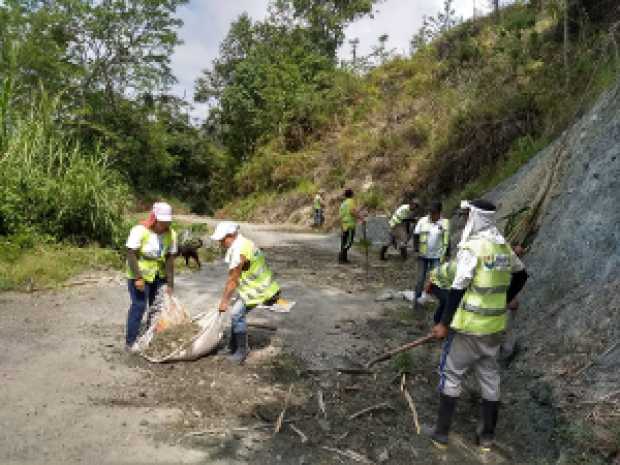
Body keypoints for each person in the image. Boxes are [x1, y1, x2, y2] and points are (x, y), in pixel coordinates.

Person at [427, 199, 528, 450]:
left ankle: (440, 434)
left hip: (469, 328)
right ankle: (486, 438)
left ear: (474, 217)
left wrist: (443, 323)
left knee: (451, 374)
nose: (463, 219)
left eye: (466, 215)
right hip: (494, 327)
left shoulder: (472, 248)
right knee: (490, 378)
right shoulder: (503, 247)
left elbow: (458, 287)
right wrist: (504, 300)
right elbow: (522, 273)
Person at [211, 222, 281, 364]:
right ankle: (233, 346)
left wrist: (224, 301)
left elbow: (232, 280)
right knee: (236, 312)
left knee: (236, 313)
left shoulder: (239, 250)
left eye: (222, 240)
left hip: (260, 289)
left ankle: (241, 351)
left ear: (230, 236)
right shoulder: (243, 242)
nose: (220, 243)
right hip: (255, 286)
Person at [125, 202, 178, 352]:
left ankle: (150, 336)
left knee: (157, 307)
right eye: (162, 221)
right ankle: (130, 342)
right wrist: (138, 278)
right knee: (139, 306)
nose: (165, 224)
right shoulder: (140, 231)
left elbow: (169, 259)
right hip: (139, 274)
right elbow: (131, 253)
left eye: (167, 221)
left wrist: (170, 283)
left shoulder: (171, 234)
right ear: (154, 218)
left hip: (158, 275)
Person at [413, 201, 450, 308]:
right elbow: (416, 235)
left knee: (436, 280)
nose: (431, 215)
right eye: (430, 212)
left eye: (434, 213)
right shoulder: (422, 221)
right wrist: (416, 249)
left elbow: (447, 239)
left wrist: (447, 254)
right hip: (423, 256)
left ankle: (440, 304)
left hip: (437, 257)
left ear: (439, 213)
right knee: (420, 280)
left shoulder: (445, 223)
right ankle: (416, 303)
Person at [380, 195, 419, 261]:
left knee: (389, 240)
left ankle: (382, 256)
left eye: (416, 206)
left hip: (393, 224)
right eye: (415, 206)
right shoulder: (405, 209)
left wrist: (409, 224)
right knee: (403, 240)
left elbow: (405, 221)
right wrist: (414, 220)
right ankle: (404, 257)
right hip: (397, 225)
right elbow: (404, 220)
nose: (415, 208)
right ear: (412, 204)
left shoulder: (405, 207)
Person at [424, 260, 457, 324]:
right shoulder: (462, 270)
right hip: (438, 283)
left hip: (442, 280)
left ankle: (439, 321)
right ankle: (440, 322)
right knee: (447, 302)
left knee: (446, 302)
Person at [338, 188, 361, 264]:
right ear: (352, 194)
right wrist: (361, 218)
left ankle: (343, 259)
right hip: (350, 225)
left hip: (344, 225)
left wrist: (341, 226)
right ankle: (342, 256)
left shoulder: (343, 203)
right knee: (349, 242)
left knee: (344, 242)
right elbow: (352, 212)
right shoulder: (351, 202)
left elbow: (340, 216)